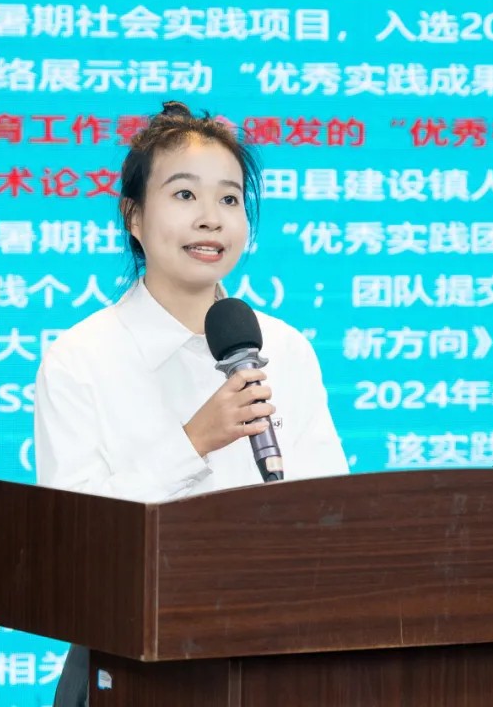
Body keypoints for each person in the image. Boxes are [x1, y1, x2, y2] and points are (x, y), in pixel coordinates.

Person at [32, 100, 351, 707]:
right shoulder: (81, 357)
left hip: (278, 656)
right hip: (133, 663)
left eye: (229, 199)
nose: (211, 219)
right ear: (133, 215)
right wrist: (193, 441)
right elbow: (71, 544)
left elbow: (334, 514)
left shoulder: (285, 347)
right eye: (184, 195)